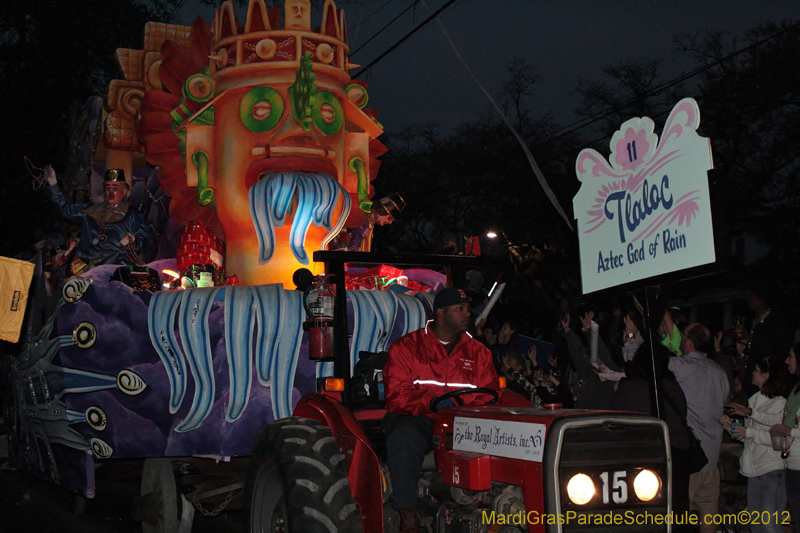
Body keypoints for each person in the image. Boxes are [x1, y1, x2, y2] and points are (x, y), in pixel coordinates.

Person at [382, 287, 500, 533]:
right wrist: (431, 402)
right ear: (441, 313)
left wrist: (459, 406)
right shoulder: (407, 347)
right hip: (420, 417)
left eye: (468, 309)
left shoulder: (479, 353)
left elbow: (489, 395)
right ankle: (407, 512)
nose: (467, 314)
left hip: (463, 421)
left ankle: (491, 505)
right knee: (404, 436)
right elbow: (397, 396)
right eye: (460, 309)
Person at [609, 343, 691, 530]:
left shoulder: (631, 388)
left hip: (642, 457)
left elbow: (614, 421)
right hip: (677, 454)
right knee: (676, 509)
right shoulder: (673, 386)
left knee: (645, 512)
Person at [668, 323, 730, 533]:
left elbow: (646, 364)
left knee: (679, 514)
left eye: (683, 335)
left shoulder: (680, 366)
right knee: (708, 510)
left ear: (689, 342)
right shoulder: (719, 372)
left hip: (690, 458)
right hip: (712, 458)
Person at [46, 167, 154, 274]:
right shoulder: (91, 210)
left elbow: (146, 241)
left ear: (124, 191)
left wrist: (132, 239)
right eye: (108, 188)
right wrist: (53, 183)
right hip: (85, 263)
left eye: (115, 188)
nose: (111, 192)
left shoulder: (132, 214)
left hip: (114, 263)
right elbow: (66, 210)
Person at [723, 357, 787, 533]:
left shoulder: (779, 404)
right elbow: (750, 439)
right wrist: (731, 427)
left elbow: (779, 439)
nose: (753, 373)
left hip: (771, 470)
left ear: (767, 375)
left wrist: (749, 432)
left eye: (757, 370)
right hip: (754, 469)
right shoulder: (755, 400)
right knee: (757, 524)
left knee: (769, 524)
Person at [771, 344, 800, 532]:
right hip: (792, 462)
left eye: (791, 357)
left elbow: (793, 427)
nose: (787, 361)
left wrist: (791, 431)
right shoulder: (796, 388)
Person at [339, 193, 405, 251]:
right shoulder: (364, 221)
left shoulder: (368, 222)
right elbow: (354, 244)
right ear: (382, 210)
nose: (389, 222)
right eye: (389, 218)